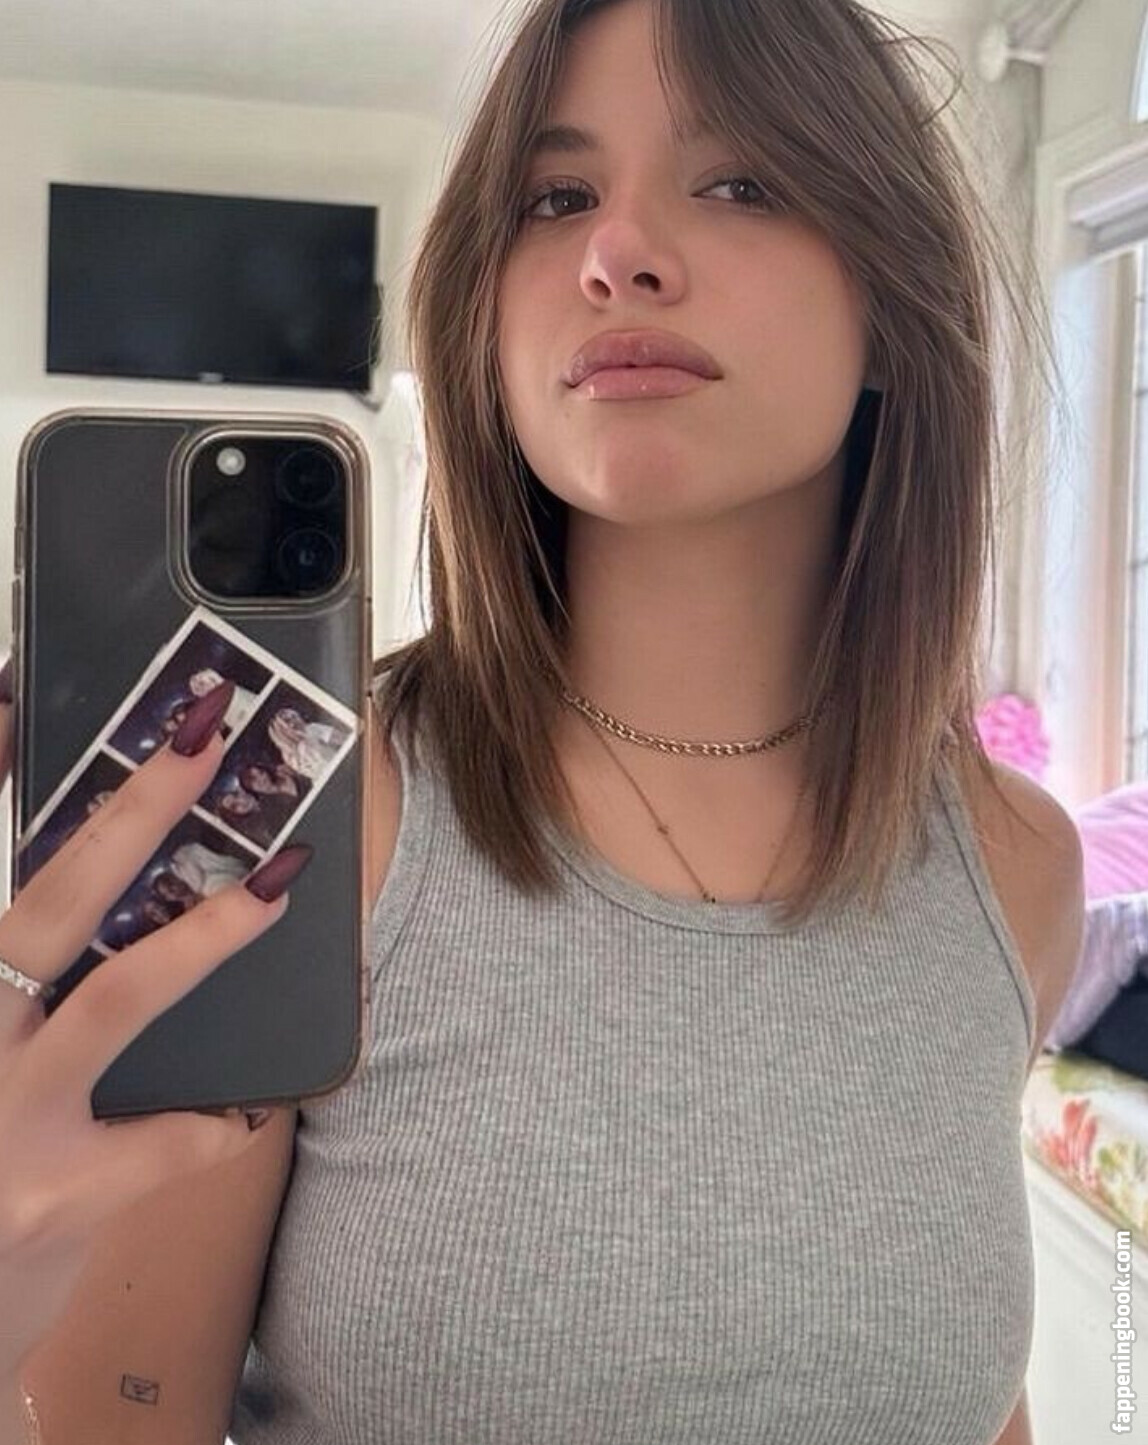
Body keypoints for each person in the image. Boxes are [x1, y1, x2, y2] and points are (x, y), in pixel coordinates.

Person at [0, 2, 1087, 1444]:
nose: (614, 253)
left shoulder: (1014, 864)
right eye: (556, 198)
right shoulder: (307, 822)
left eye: (740, 180)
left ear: (892, 298)